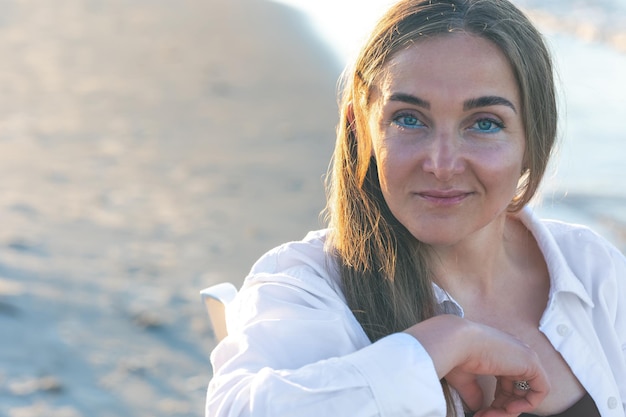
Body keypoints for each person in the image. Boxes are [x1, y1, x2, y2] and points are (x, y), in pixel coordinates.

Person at [205, 0, 626, 415]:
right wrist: (436, 346)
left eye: (484, 123)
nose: (442, 165)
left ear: (534, 139)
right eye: (409, 118)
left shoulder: (591, 268)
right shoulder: (305, 284)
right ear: (360, 131)